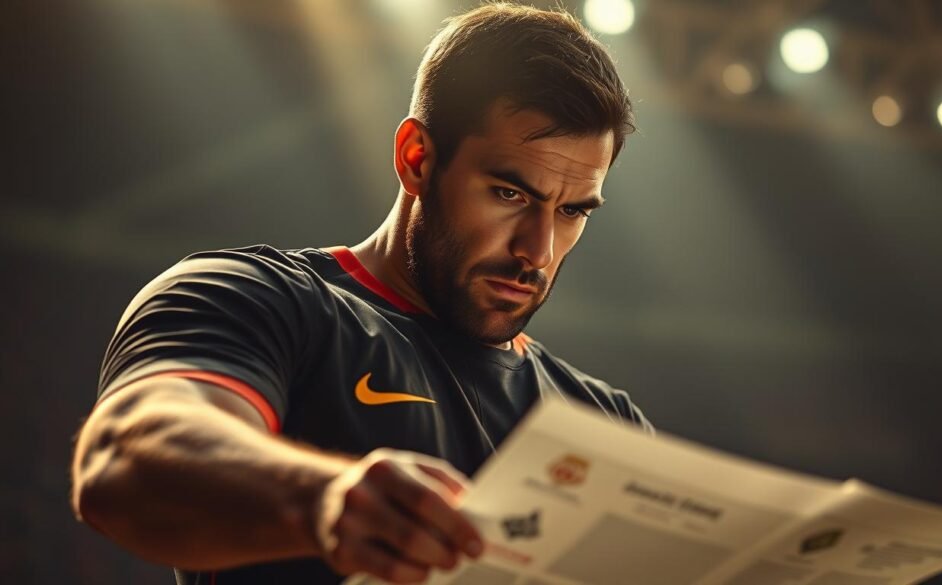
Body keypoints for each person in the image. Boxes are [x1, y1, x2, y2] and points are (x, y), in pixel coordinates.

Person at [71, 3, 651, 584]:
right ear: (416, 158)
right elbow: (124, 458)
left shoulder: (605, 420)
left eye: (572, 210)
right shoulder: (260, 298)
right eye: (509, 194)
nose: (539, 250)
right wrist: (326, 499)